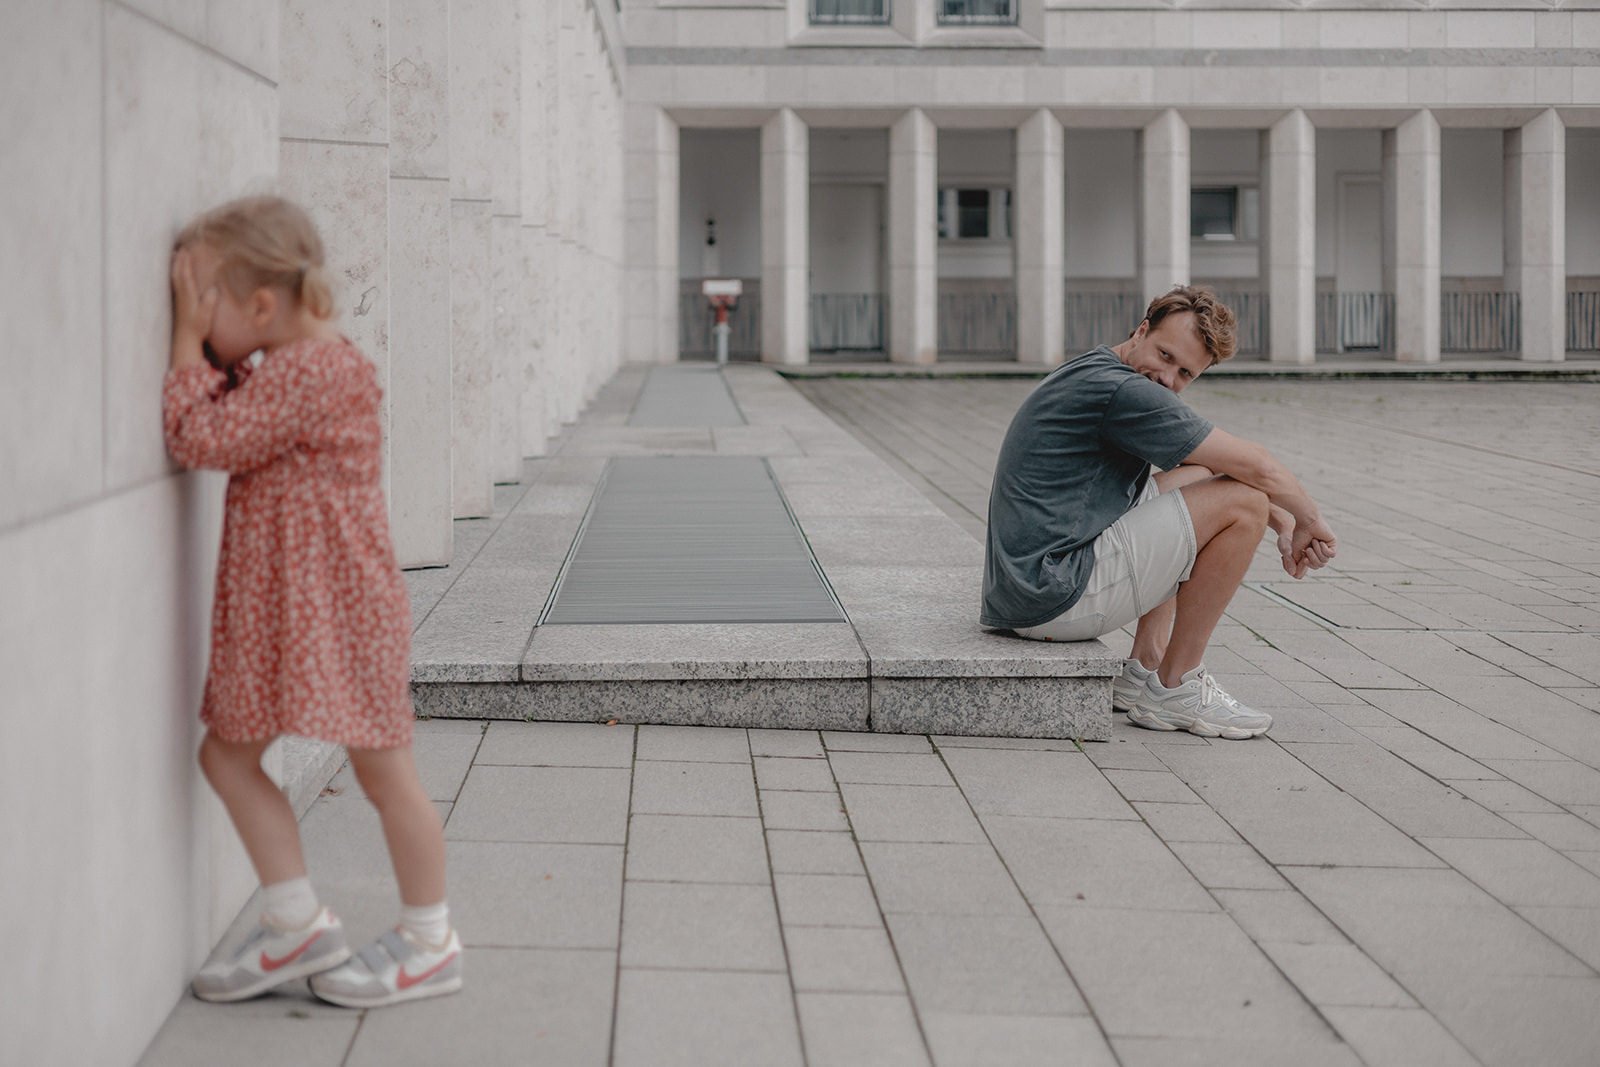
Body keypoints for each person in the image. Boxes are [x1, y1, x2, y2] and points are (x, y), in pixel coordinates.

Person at [164, 195, 461, 1007]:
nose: (192, 317)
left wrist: (187, 345)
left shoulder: (307, 371)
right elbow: (237, 416)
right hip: (297, 612)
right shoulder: (306, 365)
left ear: (261, 305)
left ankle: (430, 939)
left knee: (382, 773)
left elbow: (200, 438)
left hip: (335, 612)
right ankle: (295, 922)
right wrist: (212, 343)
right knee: (229, 753)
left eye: (205, 300)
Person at [981, 285, 1336, 739]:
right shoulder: (1121, 390)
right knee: (1242, 503)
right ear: (1143, 329)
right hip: (1051, 594)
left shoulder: (1100, 366)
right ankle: (1177, 688)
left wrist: (1283, 520)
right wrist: (1308, 519)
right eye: (1165, 356)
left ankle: (1144, 667)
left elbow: (1212, 464)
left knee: (1202, 478)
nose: (1168, 379)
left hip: (1025, 587)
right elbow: (1256, 464)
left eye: (1186, 372)